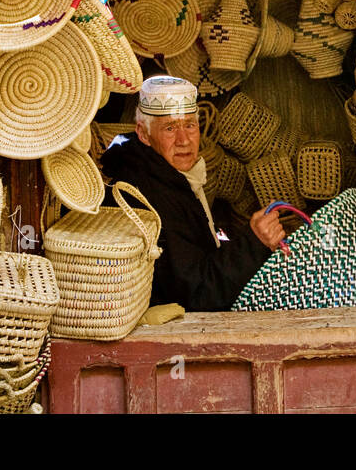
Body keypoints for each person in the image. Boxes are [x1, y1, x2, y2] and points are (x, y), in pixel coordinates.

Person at [100, 75, 286, 311]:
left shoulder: (171, 178)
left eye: (190, 125)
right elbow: (198, 295)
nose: (184, 140)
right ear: (144, 133)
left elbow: (203, 248)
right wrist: (253, 243)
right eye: (170, 128)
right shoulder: (148, 195)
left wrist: (242, 238)